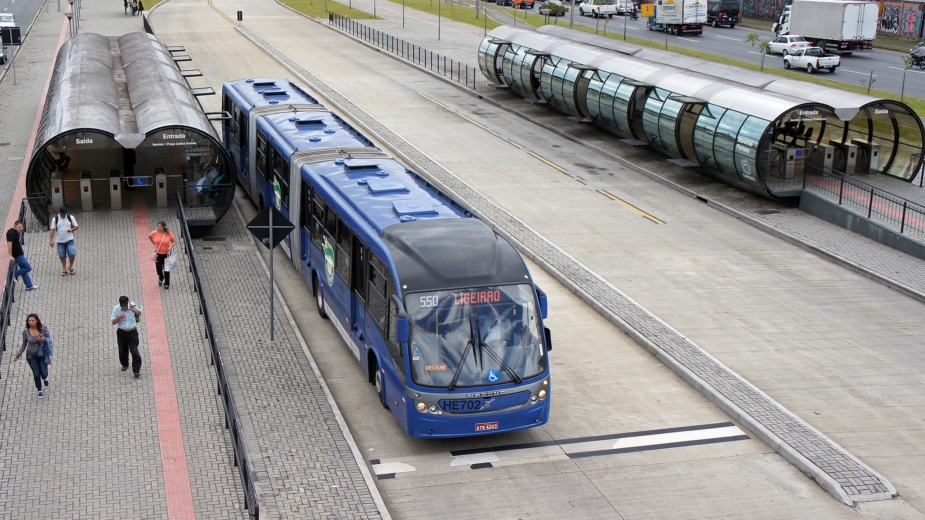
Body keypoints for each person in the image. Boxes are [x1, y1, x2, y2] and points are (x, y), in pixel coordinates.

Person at [13, 313, 53, 399]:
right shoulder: (26, 332)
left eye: (32, 320)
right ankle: (39, 390)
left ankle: (45, 378)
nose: (31, 322)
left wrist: (44, 339)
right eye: (29, 321)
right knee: (36, 373)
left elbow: (49, 340)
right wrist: (18, 355)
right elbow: (24, 345)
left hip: (41, 354)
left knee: (44, 373)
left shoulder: (43, 329)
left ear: (36, 321)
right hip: (31, 356)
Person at [112, 296, 143, 378]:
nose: (124, 307)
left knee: (134, 350)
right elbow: (113, 322)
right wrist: (119, 318)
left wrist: (134, 310)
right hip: (122, 332)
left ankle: (136, 370)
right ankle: (125, 364)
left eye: (125, 305)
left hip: (132, 332)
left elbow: (139, 313)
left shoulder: (133, 305)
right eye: (122, 306)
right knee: (123, 350)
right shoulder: (116, 309)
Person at [7, 220, 37, 291]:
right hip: (18, 255)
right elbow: (9, 244)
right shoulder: (12, 233)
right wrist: (10, 255)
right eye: (19, 227)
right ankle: (13, 275)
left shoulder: (14, 232)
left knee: (24, 270)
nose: (21, 229)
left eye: (21, 228)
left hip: (19, 254)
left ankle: (29, 285)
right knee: (28, 268)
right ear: (15, 225)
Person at [49, 206, 78, 276]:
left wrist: (72, 229)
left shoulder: (70, 217)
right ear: (59, 213)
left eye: (65, 214)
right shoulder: (55, 219)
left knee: (72, 254)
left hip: (69, 239)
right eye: (62, 214)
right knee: (62, 256)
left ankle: (71, 267)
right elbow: (52, 230)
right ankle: (64, 269)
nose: (64, 216)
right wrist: (51, 240)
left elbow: (76, 226)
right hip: (60, 241)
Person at [148, 221, 177, 289]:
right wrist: (154, 244)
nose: (158, 227)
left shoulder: (169, 234)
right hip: (158, 254)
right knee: (158, 268)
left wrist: (170, 246)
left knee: (166, 270)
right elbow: (149, 236)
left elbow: (174, 242)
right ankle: (161, 277)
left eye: (160, 226)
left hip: (167, 254)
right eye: (158, 226)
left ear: (164, 227)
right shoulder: (155, 232)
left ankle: (167, 283)